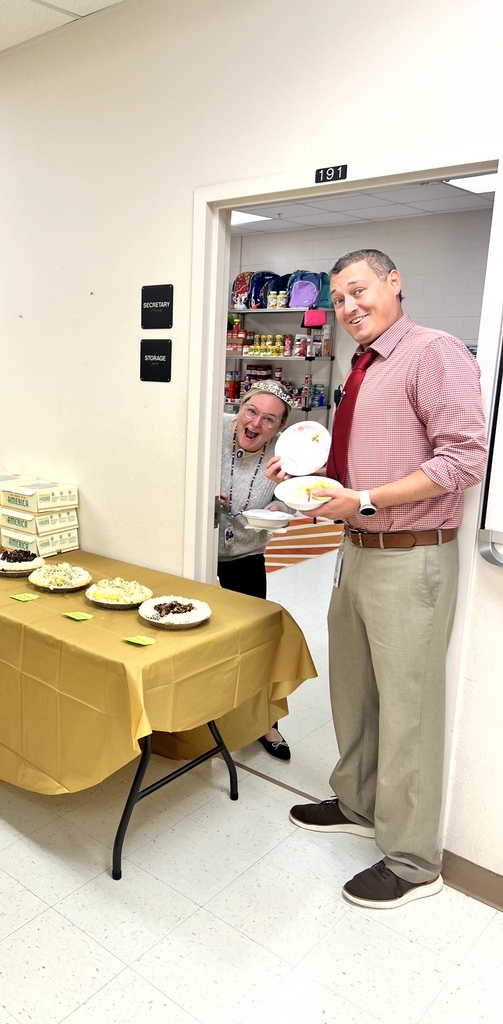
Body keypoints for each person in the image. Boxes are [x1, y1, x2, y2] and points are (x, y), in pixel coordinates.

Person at [271, 249, 487, 909]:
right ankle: (359, 803)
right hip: (358, 550)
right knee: (354, 690)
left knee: (408, 710)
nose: (348, 308)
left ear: (394, 283)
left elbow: (464, 458)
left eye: (358, 291)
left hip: (412, 555)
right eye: (338, 299)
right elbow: (361, 462)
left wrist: (366, 500)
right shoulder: (364, 367)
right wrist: (306, 477)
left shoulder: (434, 352)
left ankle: (414, 862)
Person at [218, 379, 296, 761]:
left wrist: (281, 506)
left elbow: (292, 501)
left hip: (246, 553)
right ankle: (205, 714)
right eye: (251, 411)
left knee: (255, 638)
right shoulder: (210, 428)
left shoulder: (288, 454)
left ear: (279, 427)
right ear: (239, 408)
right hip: (196, 550)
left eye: (269, 419)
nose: (256, 423)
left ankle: (265, 720)